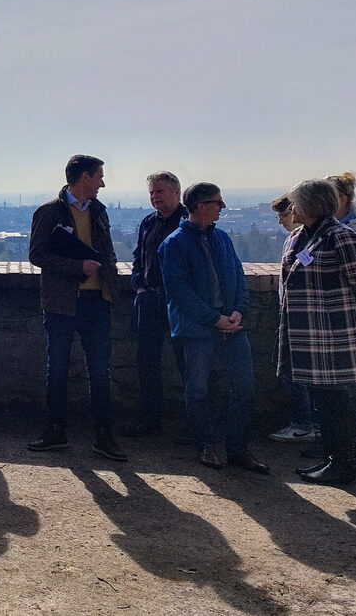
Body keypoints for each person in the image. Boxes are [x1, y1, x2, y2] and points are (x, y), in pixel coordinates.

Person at [160, 182, 268, 474]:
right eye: (218, 202)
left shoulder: (222, 238)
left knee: (244, 387)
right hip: (197, 329)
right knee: (197, 390)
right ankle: (206, 445)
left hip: (231, 325)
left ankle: (238, 448)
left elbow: (238, 277)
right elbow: (178, 291)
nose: (223, 207)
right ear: (200, 206)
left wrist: (238, 311)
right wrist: (214, 318)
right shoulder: (173, 244)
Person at [26, 155, 126, 461]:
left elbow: (106, 253)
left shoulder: (99, 211)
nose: (102, 183)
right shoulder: (48, 212)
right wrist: (76, 266)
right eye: (99, 177)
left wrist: (110, 284)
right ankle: (55, 430)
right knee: (56, 369)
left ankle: (104, 436)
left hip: (96, 301)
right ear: (84, 177)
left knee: (100, 370)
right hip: (62, 303)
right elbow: (36, 255)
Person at [280, 179, 356, 485]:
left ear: (310, 206)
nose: (292, 208)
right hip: (309, 338)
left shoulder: (341, 237)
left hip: (334, 338)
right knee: (324, 405)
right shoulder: (301, 237)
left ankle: (344, 464)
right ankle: (334, 459)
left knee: (336, 406)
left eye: (296, 202)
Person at [124, 171, 188, 437]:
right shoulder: (148, 222)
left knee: (187, 363)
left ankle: (192, 423)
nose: (154, 197)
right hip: (150, 298)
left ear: (176, 192)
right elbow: (139, 255)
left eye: (159, 192)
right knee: (147, 362)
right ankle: (150, 420)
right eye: (151, 193)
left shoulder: (188, 222)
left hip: (180, 302)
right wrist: (139, 286)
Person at [267, 193, 316, 443]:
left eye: (284, 215)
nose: (282, 221)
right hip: (291, 313)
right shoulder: (296, 239)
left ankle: (304, 423)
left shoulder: (310, 241)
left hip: (302, 317)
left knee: (292, 371)